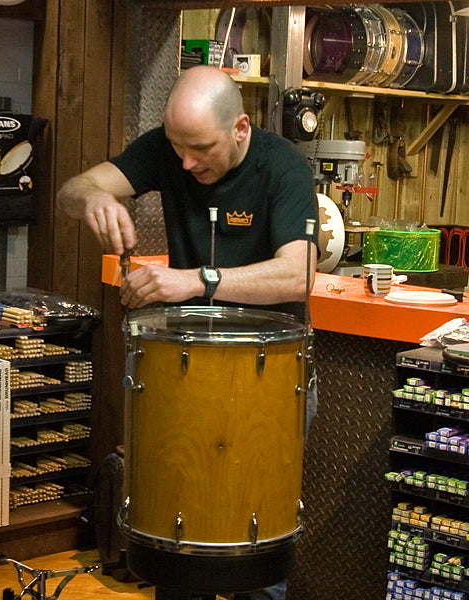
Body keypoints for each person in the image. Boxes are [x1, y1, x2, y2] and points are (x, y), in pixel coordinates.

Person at [57, 66, 319, 600]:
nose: (185, 163)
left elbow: (299, 272)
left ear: (241, 128)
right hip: (186, 373)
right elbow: (72, 189)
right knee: (178, 550)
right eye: (177, 147)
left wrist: (196, 280)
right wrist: (94, 200)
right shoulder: (169, 150)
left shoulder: (284, 168)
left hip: (267, 380)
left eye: (200, 148)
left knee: (256, 549)